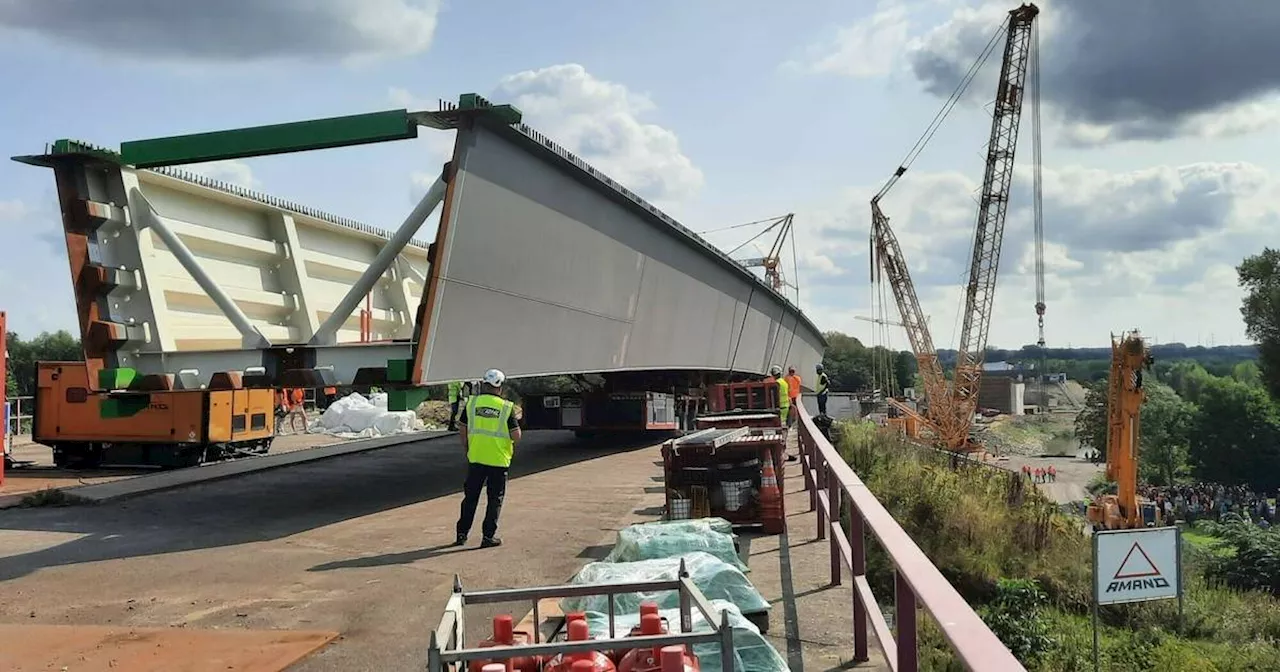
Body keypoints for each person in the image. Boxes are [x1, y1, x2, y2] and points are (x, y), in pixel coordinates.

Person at [454, 368, 523, 548]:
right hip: (498, 461)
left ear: (484, 384)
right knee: (494, 499)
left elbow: (462, 427)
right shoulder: (506, 407)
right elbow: (516, 435)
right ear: (500, 387)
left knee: (470, 498)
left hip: (476, 458)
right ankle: (487, 537)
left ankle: (462, 534)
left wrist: (467, 446)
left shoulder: (472, 404)